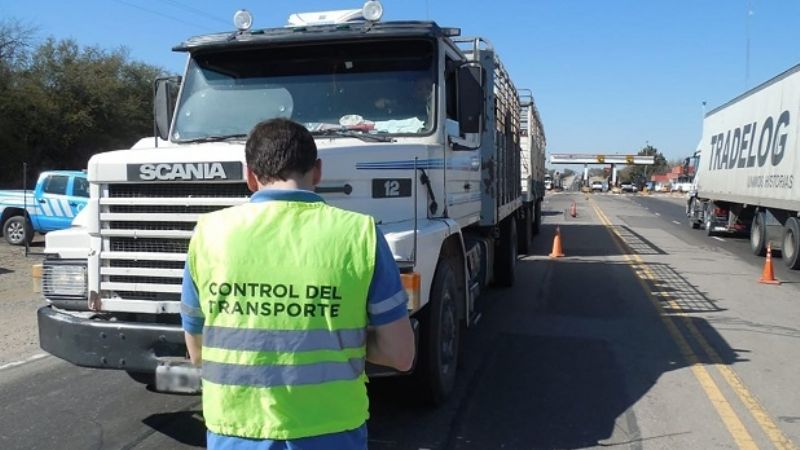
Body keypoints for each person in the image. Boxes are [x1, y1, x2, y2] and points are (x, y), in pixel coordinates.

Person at [180, 118, 415, 449]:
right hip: (332, 428)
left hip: (236, 430)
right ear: (317, 171)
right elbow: (401, 355)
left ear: (249, 175)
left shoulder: (208, 234)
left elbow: (197, 352)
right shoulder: (360, 235)